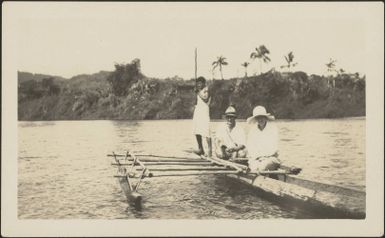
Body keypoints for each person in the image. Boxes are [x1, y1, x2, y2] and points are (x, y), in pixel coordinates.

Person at [246, 105, 281, 172]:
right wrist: (258, 158)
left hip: (271, 158)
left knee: (262, 167)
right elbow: (250, 148)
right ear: (256, 119)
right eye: (258, 118)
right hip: (256, 158)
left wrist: (264, 157)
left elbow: (274, 148)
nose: (260, 120)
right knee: (253, 168)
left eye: (262, 117)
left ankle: (267, 180)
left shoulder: (273, 129)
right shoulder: (252, 131)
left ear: (265, 118)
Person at [192, 76, 212, 157]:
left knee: (206, 130)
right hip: (198, 112)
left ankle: (210, 151)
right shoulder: (199, 90)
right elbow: (197, 101)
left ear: (204, 83)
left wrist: (198, 93)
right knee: (197, 130)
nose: (199, 85)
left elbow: (206, 99)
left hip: (204, 112)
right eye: (198, 83)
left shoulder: (206, 89)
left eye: (200, 83)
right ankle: (201, 148)